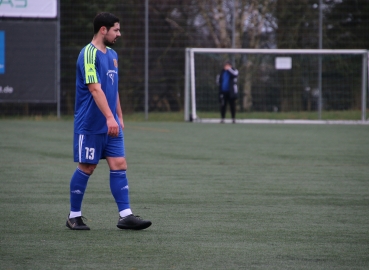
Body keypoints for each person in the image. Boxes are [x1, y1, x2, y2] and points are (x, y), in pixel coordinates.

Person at [66, 12, 152, 231]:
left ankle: (126, 216)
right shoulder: (88, 54)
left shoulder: (113, 54)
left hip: (110, 122)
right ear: (103, 30)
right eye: (116, 29)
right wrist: (108, 117)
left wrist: (118, 115)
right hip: (91, 124)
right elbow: (95, 89)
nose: (119, 34)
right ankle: (73, 216)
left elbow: (113, 89)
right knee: (87, 166)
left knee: (119, 164)